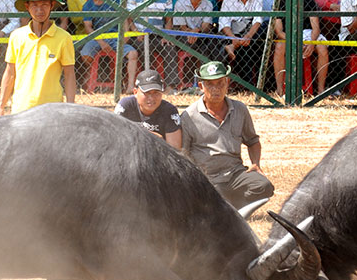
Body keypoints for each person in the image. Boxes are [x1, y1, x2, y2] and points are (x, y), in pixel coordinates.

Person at [178, 60, 274, 208]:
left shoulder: (240, 109)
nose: (215, 89)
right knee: (207, 198)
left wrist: (256, 163)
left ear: (227, 82)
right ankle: (228, 208)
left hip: (236, 173)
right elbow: (183, 152)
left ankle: (233, 208)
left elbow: (252, 141)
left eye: (220, 83)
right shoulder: (189, 116)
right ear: (201, 86)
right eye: (210, 84)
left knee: (264, 186)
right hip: (208, 177)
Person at [0, 0, 76, 115]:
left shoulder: (64, 38)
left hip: (52, 109)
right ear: (27, 7)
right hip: (21, 109)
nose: (40, 10)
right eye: (34, 5)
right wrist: (0, 107)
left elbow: (69, 74)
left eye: (44, 5)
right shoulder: (17, 36)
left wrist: (71, 107)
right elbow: (10, 73)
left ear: (51, 6)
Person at [114, 69, 182, 149]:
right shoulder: (125, 106)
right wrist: (149, 136)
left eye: (156, 92)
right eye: (146, 93)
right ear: (135, 92)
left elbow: (175, 149)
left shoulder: (169, 111)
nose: (151, 98)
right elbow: (114, 137)